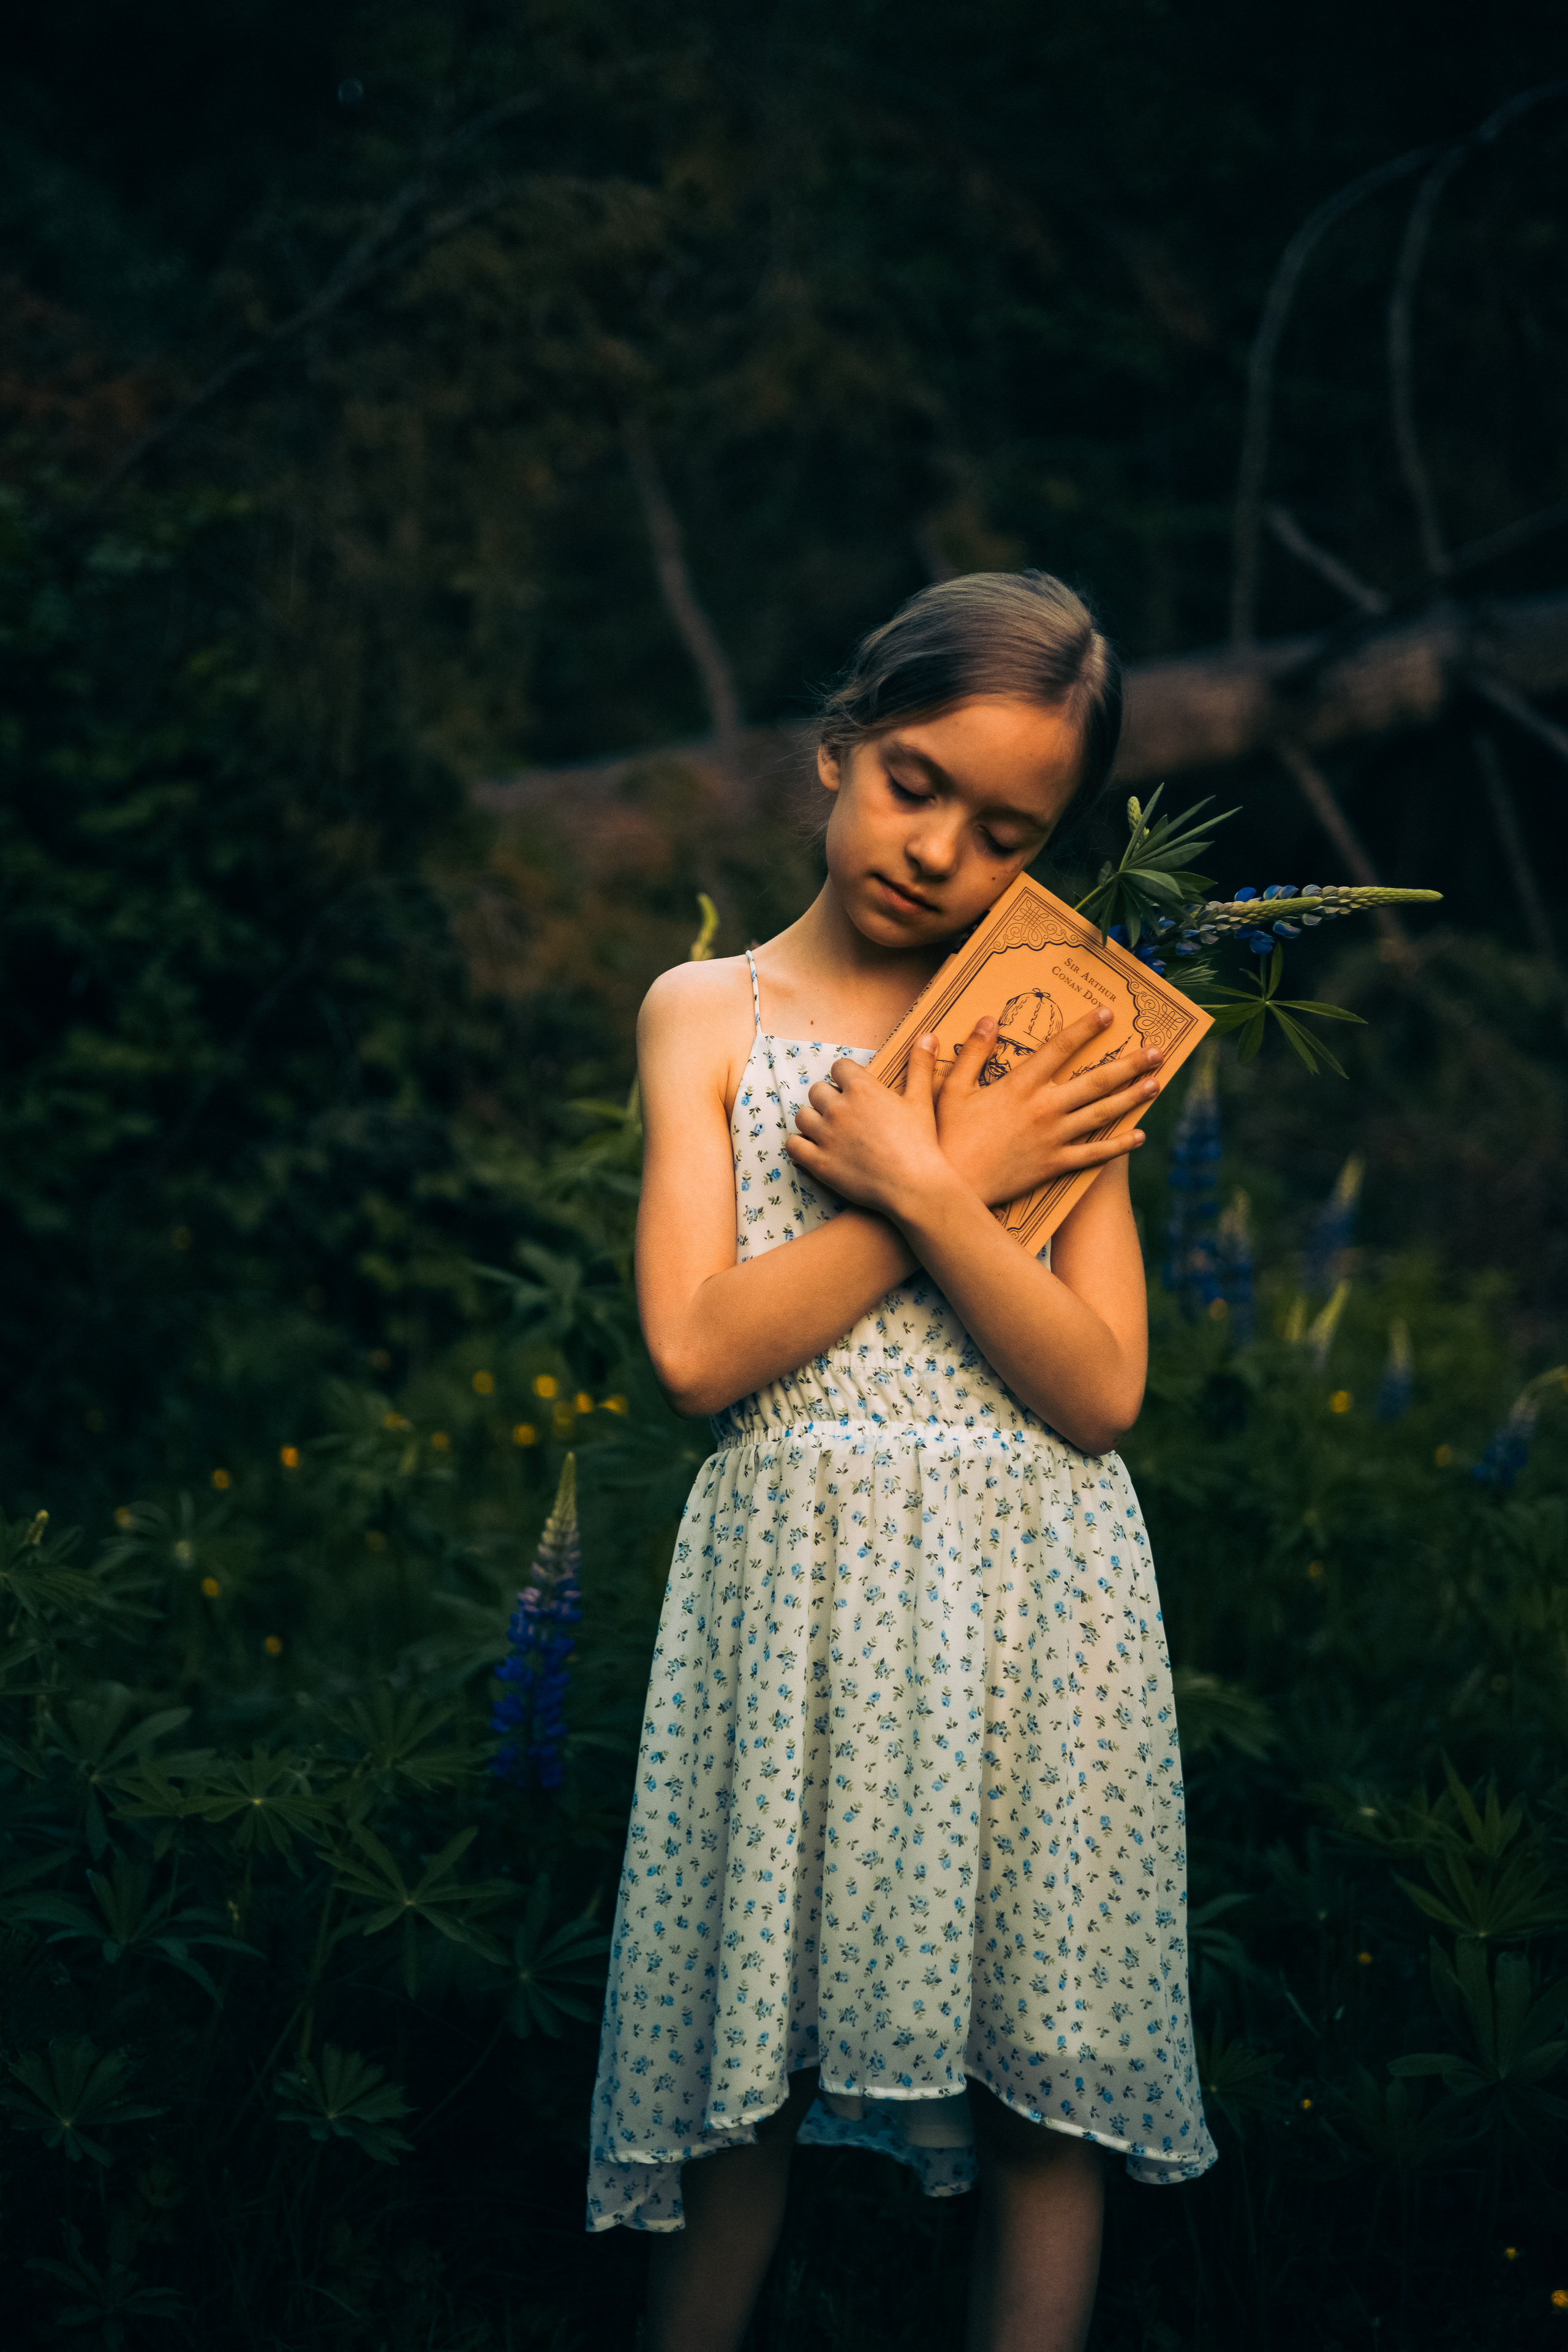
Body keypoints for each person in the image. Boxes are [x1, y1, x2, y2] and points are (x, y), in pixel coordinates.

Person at [586, 572, 1218, 2351]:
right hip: (794, 1595)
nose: (943, 850)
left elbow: (1099, 1391)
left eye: (1008, 830)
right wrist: (936, 1172)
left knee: (1042, 2090)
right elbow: (701, 1350)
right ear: (839, 751)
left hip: (1033, 1596)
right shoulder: (704, 1013)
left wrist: (947, 1172)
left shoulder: (1053, 1032)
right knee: (744, 2086)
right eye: (919, 783)